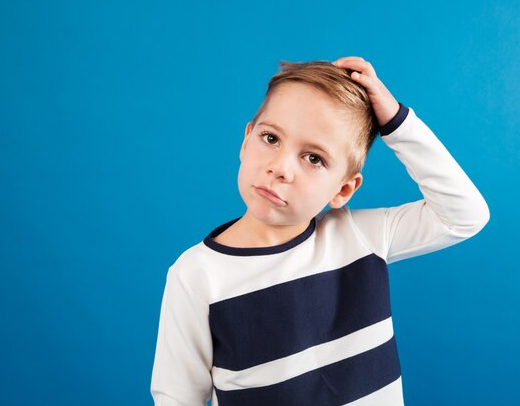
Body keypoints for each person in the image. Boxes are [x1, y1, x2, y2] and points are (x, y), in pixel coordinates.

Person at [150, 57, 490, 406]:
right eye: (270, 138)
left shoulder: (360, 238)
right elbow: (177, 398)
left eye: (313, 158)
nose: (280, 168)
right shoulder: (196, 276)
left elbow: (464, 215)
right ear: (246, 140)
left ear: (342, 190)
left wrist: (397, 123)